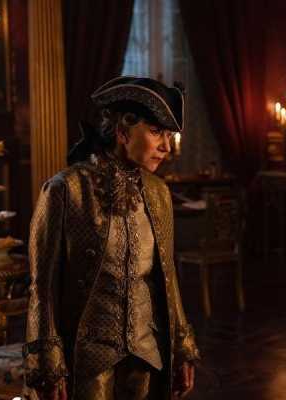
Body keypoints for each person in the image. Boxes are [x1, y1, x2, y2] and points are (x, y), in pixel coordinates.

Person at [23, 76, 199, 400]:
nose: (166, 146)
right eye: (156, 132)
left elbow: (167, 277)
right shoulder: (66, 189)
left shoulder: (159, 192)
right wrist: (47, 361)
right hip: (86, 360)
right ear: (122, 130)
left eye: (169, 135)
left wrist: (182, 347)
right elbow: (43, 286)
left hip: (147, 355)